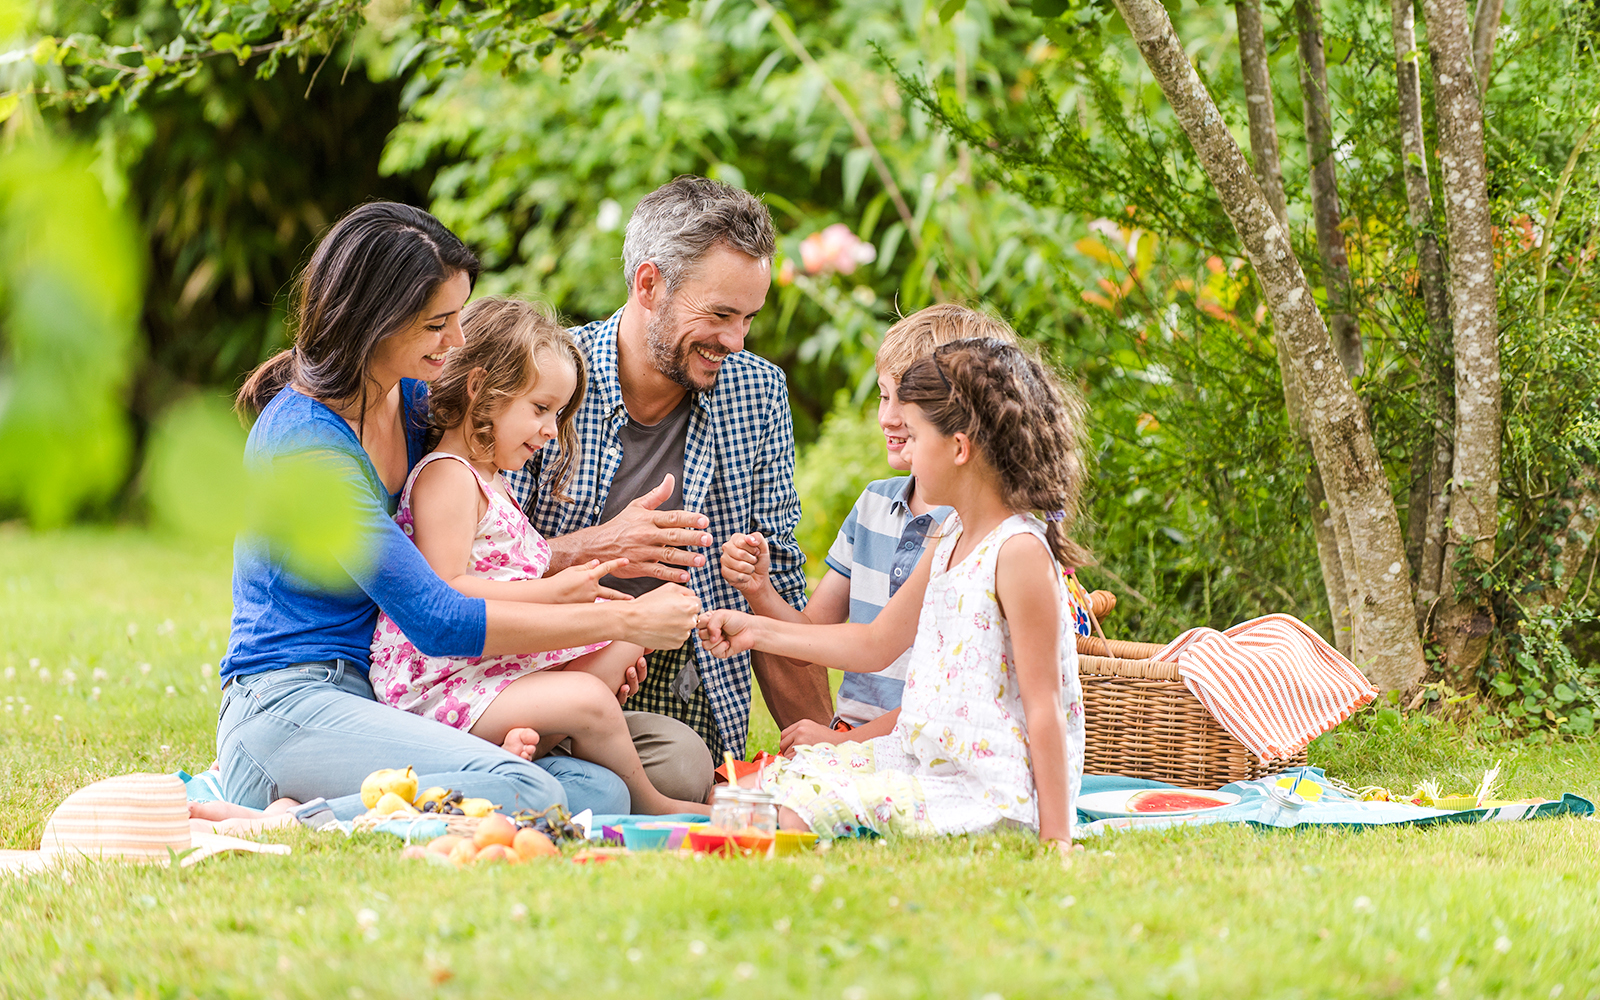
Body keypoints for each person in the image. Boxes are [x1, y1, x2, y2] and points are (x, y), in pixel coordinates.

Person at [213, 202, 701, 823]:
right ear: (375, 321)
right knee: (532, 794)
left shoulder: (412, 405)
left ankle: (415, 783)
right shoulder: (307, 444)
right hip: (290, 702)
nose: (458, 342)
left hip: (390, 698)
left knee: (603, 792)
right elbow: (438, 617)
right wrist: (622, 623)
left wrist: (597, 569)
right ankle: (289, 817)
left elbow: (486, 553)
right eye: (438, 323)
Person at [697, 337, 1090, 856]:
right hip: (918, 758)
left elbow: (1045, 709)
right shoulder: (951, 535)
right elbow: (875, 643)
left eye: (917, 434)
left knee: (772, 820)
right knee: (738, 796)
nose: (904, 446)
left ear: (958, 447)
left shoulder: (1016, 552)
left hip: (983, 792)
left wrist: (1057, 839)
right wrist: (756, 630)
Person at [504, 176, 831, 778]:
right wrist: (599, 548)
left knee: (682, 769)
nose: (735, 341)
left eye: (749, 319)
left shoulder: (757, 393)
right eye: (720, 314)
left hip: (682, 695)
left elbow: (778, 585)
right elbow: (471, 573)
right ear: (649, 284)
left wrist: (824, 761)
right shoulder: (540, 381)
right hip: (531, 682)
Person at [369, 297, 710, 815]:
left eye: (558, 413)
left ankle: (519, 750)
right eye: (540, 409)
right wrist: (552, 593)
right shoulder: (446, 478)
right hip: (440, 685)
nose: (551, 431)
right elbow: (446, 591)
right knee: (591, 697)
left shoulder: (493, 482)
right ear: (480, 388)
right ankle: (652, 804)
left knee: (622, 640)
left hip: (487, 671)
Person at [719, 304, 1036, 755]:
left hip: (920, 741)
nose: (888, 417)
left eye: (905, 404)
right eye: (884, 396)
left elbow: (945, 698)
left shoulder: (976, 530)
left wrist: (838, 745)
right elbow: (814, 637)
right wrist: (760, 592)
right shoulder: (873, 504)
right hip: (856, 737)